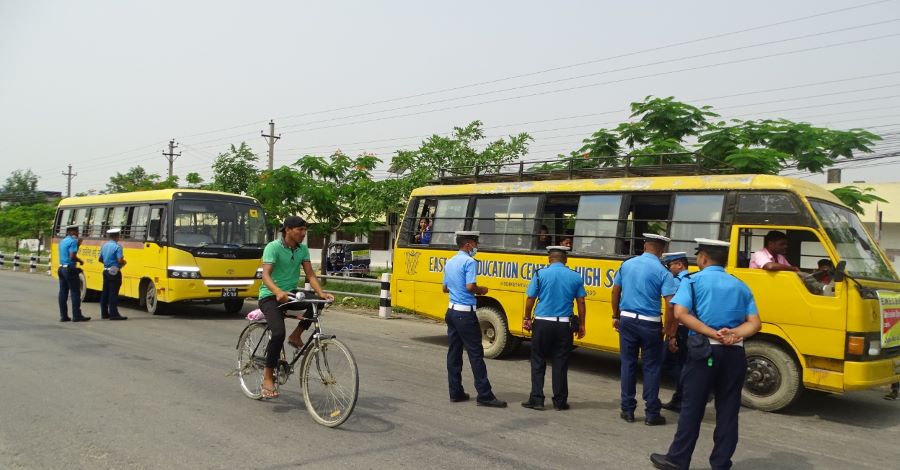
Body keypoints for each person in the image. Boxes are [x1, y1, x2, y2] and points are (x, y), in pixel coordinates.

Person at [650, 238, 761, 470]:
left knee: (693, 407)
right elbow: (755, 323)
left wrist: (713, 332)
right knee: (729, 411)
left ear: (703, 258)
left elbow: (680, 313)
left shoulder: (692, 281)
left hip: (704, 352)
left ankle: (678, 459)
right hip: (734, 354)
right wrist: (733, 334)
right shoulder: (740, 285)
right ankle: (721, 463)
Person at [258, 216, 334, 399]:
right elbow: (265, 276)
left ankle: (297, 334)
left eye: (305, 230)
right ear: (288, 230)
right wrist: (277, 291)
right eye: (300, 230)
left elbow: (310, 275)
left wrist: (321, 293)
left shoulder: (302, 249)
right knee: (277, 334)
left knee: (317, 303)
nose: (303, 234)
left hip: (291, 294)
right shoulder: (273, 247)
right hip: (270, 296)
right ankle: (268, 376)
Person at [612, 233, 676, 425]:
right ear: (662, 250)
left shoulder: (627, 264)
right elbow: (670, 304)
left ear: (644, 246)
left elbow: (615, 291)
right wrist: (668, 329)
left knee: (628, 364)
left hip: (627, 320)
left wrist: (615, 315)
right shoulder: (663, 272)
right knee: (651, 368)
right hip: (650, 323)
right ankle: (651, 414)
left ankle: (628, 410)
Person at [442, 230, 507, 408]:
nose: (477, 247)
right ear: (468, 244)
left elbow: (445, 288)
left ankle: (455, 392)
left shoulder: (450, 261)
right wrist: (482, 290)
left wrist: (458, 289)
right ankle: (484, 395)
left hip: (452, 312)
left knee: (454, 353)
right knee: (475, 354)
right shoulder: (469, 261)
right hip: (465, 313)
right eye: (475, 243)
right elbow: (470, 286)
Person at [521, 245, 587, 411]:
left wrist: (527, 318)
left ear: (549, 259)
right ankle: (560, 402)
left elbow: (530, 298)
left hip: (542, 323)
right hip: (564, 325)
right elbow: (581, 302)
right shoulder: (575, 276)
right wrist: (582, 324)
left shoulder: (539, 274)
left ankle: (537, 399)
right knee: (560, 362)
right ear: (565, 260)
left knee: (538, 361)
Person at [660, 252, 689, 412]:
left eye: (669, 265)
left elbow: (674, 310)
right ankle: (678, 400)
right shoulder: (690, 279)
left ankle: (691, 390)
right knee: (682, 363)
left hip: (679, 329)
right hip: (689, 329)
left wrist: (670, 333)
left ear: (679, 265)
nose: (668, 269)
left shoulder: (677, 283)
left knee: (668, 363)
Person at [58, 224, 90, 322]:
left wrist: (78, 245)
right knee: (75, 292)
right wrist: (80, 261)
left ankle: (64, 316)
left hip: (61, 269)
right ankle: (77, 315)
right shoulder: (72, 242)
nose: (77, 233)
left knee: (63, 292)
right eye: (76, 232)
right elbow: (72, 256)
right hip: (70, 269)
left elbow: (67, 253)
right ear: (71, 232)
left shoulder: (62, 241)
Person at [99, 228, 128, 320]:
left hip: (106, 270)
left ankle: (104, 313)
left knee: (105, 292)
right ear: (116, 236)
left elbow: (100, 259)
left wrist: (107, 262)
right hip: (114, 271)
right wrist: (124, 262)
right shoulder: (117, 247)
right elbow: (119, 260)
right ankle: (114, 314)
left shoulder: (104, 246)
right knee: (113, 293)